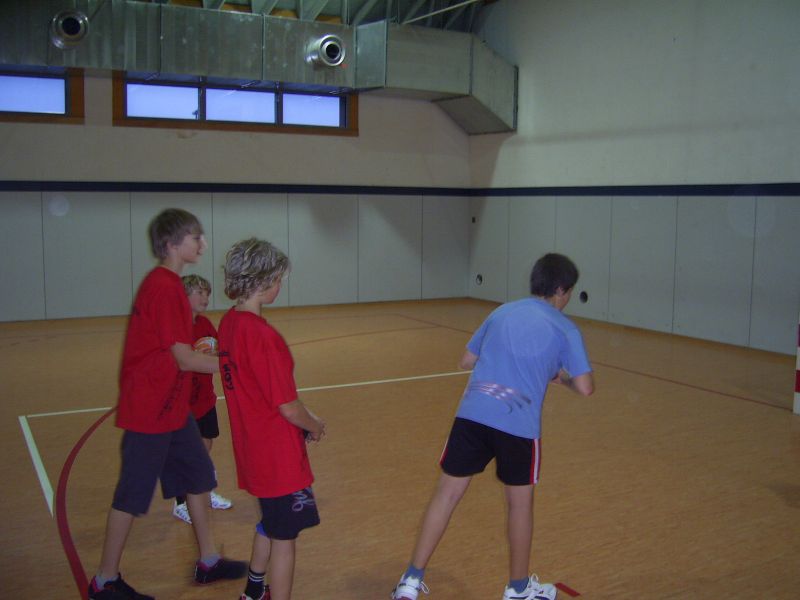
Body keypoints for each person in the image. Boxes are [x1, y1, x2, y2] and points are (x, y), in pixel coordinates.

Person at [391, 253, 595, 600]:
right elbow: (586, 387)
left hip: (473, 416)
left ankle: (410, 580)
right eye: (569, 292)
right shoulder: (565, 329)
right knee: (520, 506)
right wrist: (559, 378)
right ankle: (518, 589)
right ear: (561, 289)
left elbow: (466, 360)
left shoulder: (502, 312)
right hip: (518, 427)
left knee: (446, 495)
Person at [88, 209, 247, 600]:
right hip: (150, 411)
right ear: (173, 243)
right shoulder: (164, 287)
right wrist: (238, 367)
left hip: (173, 410)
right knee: (131, 496)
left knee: (199, 477)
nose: (203, 244)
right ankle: (105, 581)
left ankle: (208, 561)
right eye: (196, 237)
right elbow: (185, 358)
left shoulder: (170, 285)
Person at [218, 238, 326, 600]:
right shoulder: (263, 336)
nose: (280, 285)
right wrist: (314, 425)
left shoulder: (229, 323)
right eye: (278, 278)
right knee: (285, 539)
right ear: (264, 281)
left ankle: (253, 589)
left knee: (271, 520)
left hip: (253, 449)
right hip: (278, 457)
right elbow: (288, 407)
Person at [172, 274, 234, 524]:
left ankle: (203, 492)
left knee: (205, 446)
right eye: (199, 292)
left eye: (207, 293)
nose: (205, 297)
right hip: (182, 404)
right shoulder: (175, 327)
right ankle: (181, 502)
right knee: (187, 453)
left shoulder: (206, 324)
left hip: (205, 400)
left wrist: (220, 353)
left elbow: (219, 350)